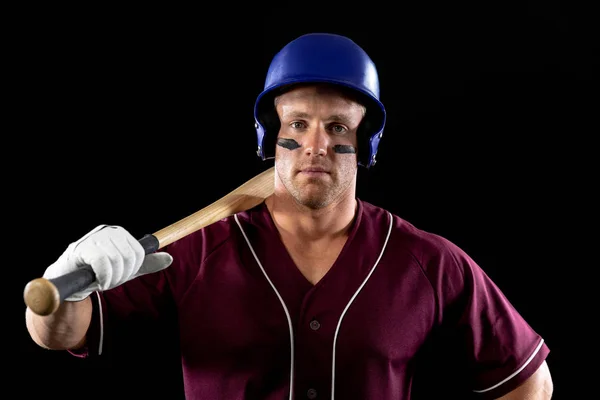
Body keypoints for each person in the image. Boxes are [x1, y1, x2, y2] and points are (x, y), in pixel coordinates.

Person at [25, 33, 553, 399]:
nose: (315, 146)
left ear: (366, 143)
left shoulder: (430, 262)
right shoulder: (195, 250)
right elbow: (60, 334)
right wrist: (62, 287)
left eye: (339, 127)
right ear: (268, 136)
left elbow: (531, 383)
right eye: (297, 122)